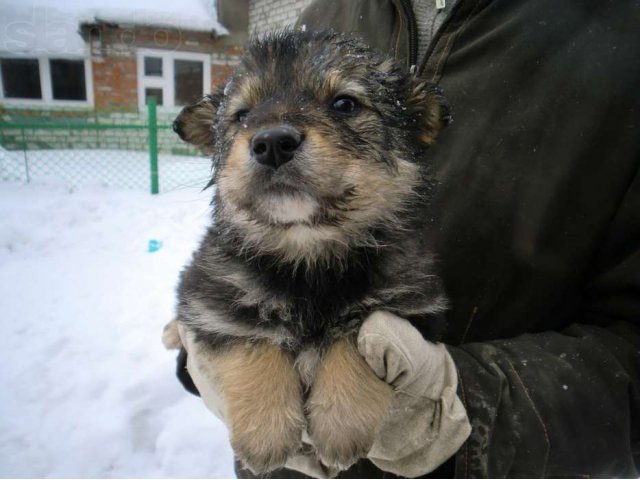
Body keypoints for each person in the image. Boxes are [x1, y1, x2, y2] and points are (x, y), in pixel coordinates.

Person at [174, 0, 640, 477]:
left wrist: (465, 409)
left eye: (343, 104)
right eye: (243, 113)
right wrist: (224, 348)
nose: (270, 134)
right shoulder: (326, 10)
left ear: (419, 128)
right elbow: (202, 308)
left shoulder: (623, 34)